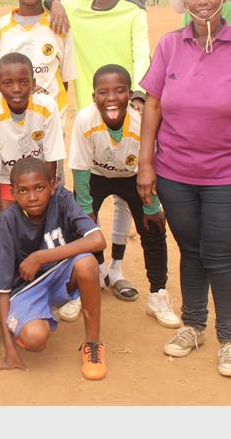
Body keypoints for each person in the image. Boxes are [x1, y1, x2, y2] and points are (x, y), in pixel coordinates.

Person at [138, 0, 231, 378]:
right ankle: (194, 325)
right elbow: (154, 105)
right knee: (191, 251)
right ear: (182, 1)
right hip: (175, 171)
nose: (202, 1)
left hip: (227, 173)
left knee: (223, 255)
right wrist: (146, 164)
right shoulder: (169, 45)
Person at [56, 0, 151, 321]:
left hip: (124, 108)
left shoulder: (133, 13)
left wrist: (139, 94)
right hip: (86, 114)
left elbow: (141, 52)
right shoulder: (75, 8)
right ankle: (91, 270)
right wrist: (54, 4)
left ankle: (117, 268)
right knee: (87, 199)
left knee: (127, 191)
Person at [67, 64, 180, 328]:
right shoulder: (85, 119)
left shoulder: (140, 120)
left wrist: (152, 206)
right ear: (93, 96)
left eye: (119, 91)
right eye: (102, 92)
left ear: (130, 95)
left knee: (153, 229)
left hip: (134, 176)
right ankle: (81, 287)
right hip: (95, 175)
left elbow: (150, 164)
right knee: (81, 229)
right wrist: (85, 209)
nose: (111, 98)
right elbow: (80, 167)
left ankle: (157, 293)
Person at [0, 157, 107, 380]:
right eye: (23, 191)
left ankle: (92, 346)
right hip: (26, 289)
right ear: (13, 193)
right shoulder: (8, 221)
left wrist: (41, 256)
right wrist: (9, 350)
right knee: (35, 340)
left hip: (60, 274)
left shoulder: (62, 198)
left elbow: (97, 240)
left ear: (52, 185)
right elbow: (2, 290)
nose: (32, 197)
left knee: (87, 263)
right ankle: (22, 322)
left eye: (40, 188)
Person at [0, 53, 65, 218]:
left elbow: (52, 155)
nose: (16, 89)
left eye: (24, 82)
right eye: (8, 83)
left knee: (47, 218)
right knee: (6, 220)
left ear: (33, 84)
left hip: (38, 179)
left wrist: (49, 190)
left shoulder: (47, 106)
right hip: (6, 180)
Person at [0, 0, 76, 126]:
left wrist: (49, 101)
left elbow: (64, 78)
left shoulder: (60, 24)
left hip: (52, 114)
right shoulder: (1, 26)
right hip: (13, 115)